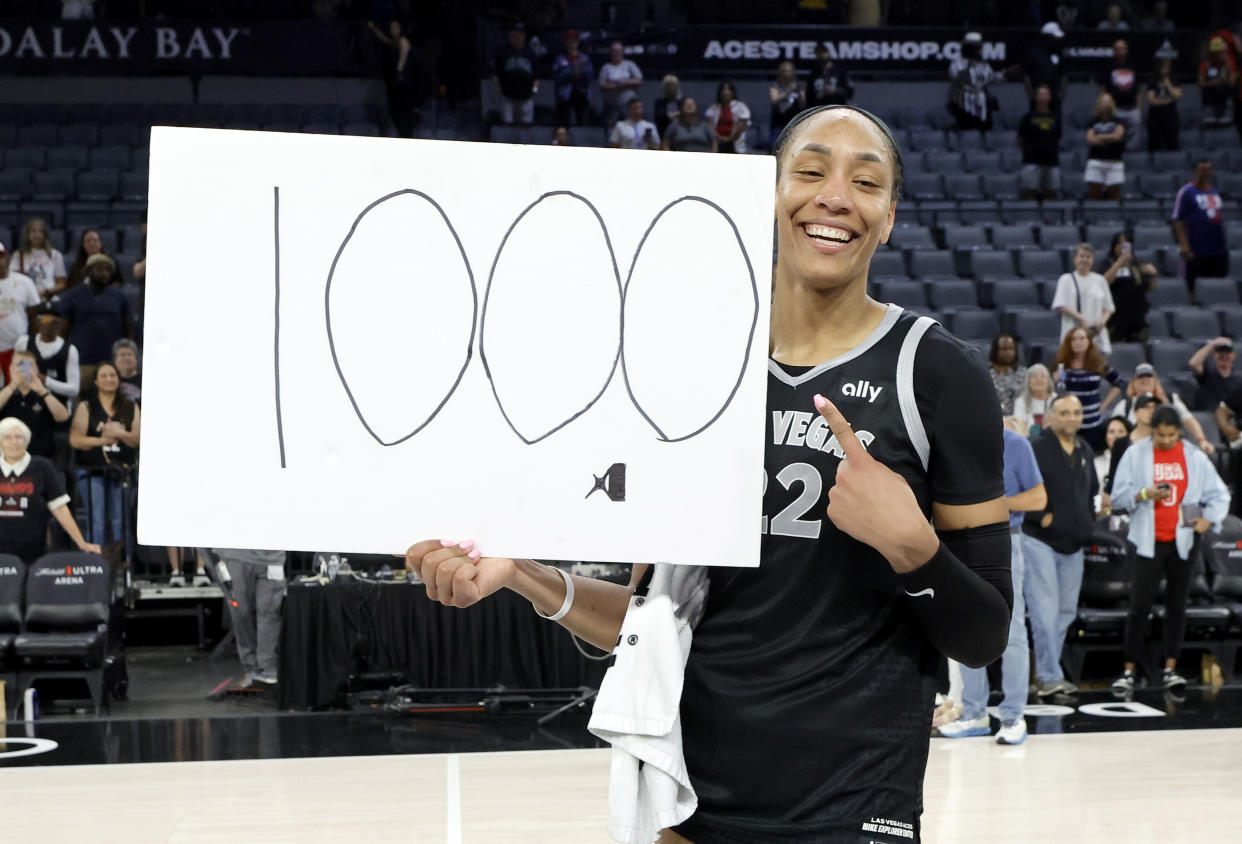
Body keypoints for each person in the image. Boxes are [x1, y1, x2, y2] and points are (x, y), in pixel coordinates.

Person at [406, 105, 1014, 843]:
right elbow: (645, 624)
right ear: (771, 192)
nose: (835, 197)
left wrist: (912, 545)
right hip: (690, 803)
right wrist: (524, 576)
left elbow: (983, 635)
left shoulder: (940, 375)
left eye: (866, 181)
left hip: (857, 806)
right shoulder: (691, 369)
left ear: (887, 218)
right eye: (812, 171)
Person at [1109, 405, 1230, 694]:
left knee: (1177, 606)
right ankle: (1129, 670)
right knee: (1139, 607)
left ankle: (1171, 669)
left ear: (1180, 432)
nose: (1165, 440)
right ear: (1152, 431)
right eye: (1160, 434)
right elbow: (1116, 499)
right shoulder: (1135, 454)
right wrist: (1144, 493)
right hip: (1147, 542)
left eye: (1171, 435)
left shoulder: (1194, 457)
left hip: (1183, 540)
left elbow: (1219, 494)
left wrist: (1208, 520)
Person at [940, 418, 1045, 744]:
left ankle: (1014, 717)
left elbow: (1038, 498)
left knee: (1010, 630)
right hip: (958, 541)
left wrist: (993, 505)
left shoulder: (1015, 443)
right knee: (966, 627)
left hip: (1006, 539)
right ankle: (974, 713)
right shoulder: (950, 441)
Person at [1022, 394, 1096, 697]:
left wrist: (1088, 521)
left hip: (1074, 543)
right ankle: (1050, 676)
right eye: (1065, 412)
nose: (1072, 418)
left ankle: (1047, 673)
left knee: (1065, 611)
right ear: (1050, 417)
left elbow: (1091, 491)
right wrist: (1043, 517)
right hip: (1039, 540)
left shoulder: (1086, 450)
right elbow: (1016, 486)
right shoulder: (1036, 448)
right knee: (1044, 611)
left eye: (1077, 412)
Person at [0, 417, 99, 563]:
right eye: (7, 437)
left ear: (26, 441)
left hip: (34, 551)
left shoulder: (42, 467)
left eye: (18, 437)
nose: (14, 442)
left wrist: (81, 543)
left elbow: (60, 509)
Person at [69, 361, 139, 555]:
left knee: (121, 520)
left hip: (123, 471)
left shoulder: (130, 405)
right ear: (96, 381)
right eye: (104, 376)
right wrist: (104, 440)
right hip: (93, 471)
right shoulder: (87, 405)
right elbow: (75, 439)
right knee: (96, 520)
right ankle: (96, 565)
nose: (109, 379)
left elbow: (137, 439)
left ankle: (124, 567)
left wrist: (119, 433)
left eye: (113, 375)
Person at [52, 253, 134, 386]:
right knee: (82, 403)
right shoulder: (72, 296)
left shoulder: (120, 297)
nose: (104, 273)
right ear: (88, 271)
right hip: (82, 361)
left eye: (108, 270)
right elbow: (63, 331)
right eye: (100, 269)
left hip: (112, 363)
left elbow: (128, 329)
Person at [212, 548, 287, 686]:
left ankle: (268, 668)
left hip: (272, 557)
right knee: (241, 613)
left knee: (270, 613)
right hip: (236, 556)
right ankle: (251, 667)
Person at [1115, 363, 1215, 455]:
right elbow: (1113, 431)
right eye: (1140, 376)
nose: (1145, 380)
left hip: (1168, 450)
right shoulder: (1124, 406)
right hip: (1135, 452)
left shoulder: (1171, 400)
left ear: (1156, 380)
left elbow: (1189, 420)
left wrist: (1202, 440)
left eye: (1149, 376)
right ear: (1133, 382)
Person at [1052, 326, 1123, 451]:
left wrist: (1104, 405)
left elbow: (1118, 383)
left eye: (1082, 338)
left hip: (1092, 424)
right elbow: (1056, 391)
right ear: (1069, 343)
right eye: (1074, 339)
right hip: (1069, 423)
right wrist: (1055, 380)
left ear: (1089, 341)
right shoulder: (1062, 364)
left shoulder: (1098, 363)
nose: (1078, 342)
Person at [1173, 159, 1229, 299]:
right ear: (1195, 171)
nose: (1206, 173)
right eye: (1203, 170)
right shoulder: (1186, 192)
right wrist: (1184, 245)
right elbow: (1178, 220)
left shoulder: (1214, 191)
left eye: (1209, 169)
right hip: (1196, 248)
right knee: (1194, 286)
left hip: (1218, 248)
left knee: (1218, 285)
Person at [0, 351, 71, 460]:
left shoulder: (46, 394)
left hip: (40, 459)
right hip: (6, 460)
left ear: (36, 369)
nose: (23, 370)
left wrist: (42, 391)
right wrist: (13, 386)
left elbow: (63, 417)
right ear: (10, 369)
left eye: (28, 365)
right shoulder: (3, 393)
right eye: (19, 365)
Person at [1053, 243, 1115, 354]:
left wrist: (1101, 322)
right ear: (1075, 259)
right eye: (1081, 256)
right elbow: (1060, 305)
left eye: (1088, 257)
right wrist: (1081, 319)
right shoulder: (1066, 279)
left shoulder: (1100, 280)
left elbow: (1109, 307)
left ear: (1092, 260)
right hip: (1073, 333)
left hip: (1096, 335)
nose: (1084, 260)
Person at [13, 308, 79, 408]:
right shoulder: (24, 343)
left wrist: (46, 381)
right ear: (38, 321)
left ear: (60, 324)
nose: (49, 324)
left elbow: (74, 389)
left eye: (54, 321)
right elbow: (15, 373)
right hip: (28, 404)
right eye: (45, 320)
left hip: (57, 405)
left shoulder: (70, 350)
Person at [1102, 231, 1156, 343]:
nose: (1124, 246)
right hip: (1115, 319)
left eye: (1127, 243)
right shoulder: (1107, 263)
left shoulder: (1137, 264)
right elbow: (1103, 283)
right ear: (1115, 246)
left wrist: (1153, 275)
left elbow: (1150, 288)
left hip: (1137, 318)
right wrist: (1119, 262)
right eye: (1121, 243)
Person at [0, 241, 42, 378]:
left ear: (7, 258)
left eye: (0, 257)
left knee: (24, 386)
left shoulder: (25, 282)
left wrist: (34, 346)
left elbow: (34, 316)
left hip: (20, 348)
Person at [947, 31, 1000, 133]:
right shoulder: (957, 63)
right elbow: (960, 80)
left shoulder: (983, 63)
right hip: (963, 102)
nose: (977, 49)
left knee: (985, 127)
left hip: (981, 104)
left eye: (978, 46)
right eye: (974, 47)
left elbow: (990, 77)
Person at [1017, 84, 1062, 199]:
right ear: (1036, 97)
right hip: (1031, 161)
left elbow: (1058, 137)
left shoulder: (1055, 117)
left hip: (1051, 161)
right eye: (1041, 94)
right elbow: (1020, 140)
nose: (1043, 97)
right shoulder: (1027, 117)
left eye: (1046, 94)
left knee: (1051, 193)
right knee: (1030, 193)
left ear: (1050, 97)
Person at [492, 22, 537, 126]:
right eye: (515, 33)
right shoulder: (502, 52)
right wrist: (499, 90)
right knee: (507, 125)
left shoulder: (529, 52)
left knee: (526, 126)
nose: (518, 36)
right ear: (510, 35)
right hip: (507, 95)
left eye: (520, 34)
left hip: (526, 95)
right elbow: (495, 73)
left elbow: (536, 74)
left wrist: (534, 89)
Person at [1085, 92, 1127, 200]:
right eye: (1103, 101)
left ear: (1112, 104)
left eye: (1108, 101)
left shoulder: (1119, 121)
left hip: (1114, 161)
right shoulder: (1092, 121)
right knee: (1094, 195)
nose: (1105, 104)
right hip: (1095, 161)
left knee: (1114, 196)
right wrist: (1110, 137)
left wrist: (1099, 137)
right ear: (1098, 104)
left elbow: (1118, 136)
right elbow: (1090, 139)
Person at [1018, 22, 1067, 112]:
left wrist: (1062, 94)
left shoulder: (1059, 53)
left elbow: (1063, 75)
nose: (1058, 39)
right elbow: (1026, 76)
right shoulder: (1033, 54)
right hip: (1037, 99)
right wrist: (1031, 96)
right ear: (1047, 37)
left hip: (1055, 99)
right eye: (1055, 37)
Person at [13, 218, 67, 300]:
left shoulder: (55, 255)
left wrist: (45, 292)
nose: (37, 235)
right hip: (25, 296)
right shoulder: (19, 255)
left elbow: (62, 284)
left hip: (48, 296)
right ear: (28, 234)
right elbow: (12, 279)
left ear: (45, 235)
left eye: (40, 231)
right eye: (33, 231)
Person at [1099, 39, 1141, 141]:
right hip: (1115, 110)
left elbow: (1138, 90)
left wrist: (1139, 109)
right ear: (1114, 50)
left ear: (1126, 50)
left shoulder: (1133, 65)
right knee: (1115, 139)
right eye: (1117, 49)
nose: (1120, 51)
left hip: (1132, 109)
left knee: (1132, 142)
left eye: (1122, 48)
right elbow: (1103, 89)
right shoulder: (1108, 67)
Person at [551, 29, 593, 128]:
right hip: (565, 94)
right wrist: (572, 73)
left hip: (582, 93)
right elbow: (556, 77)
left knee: (582, 123)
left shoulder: (584, 58)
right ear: (566, 42)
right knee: (564, 123)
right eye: (570, 40)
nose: (572, 43)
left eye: (574, 40)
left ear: (578, 42)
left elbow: (589, 76)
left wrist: (579, 74)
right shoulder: (560, 58)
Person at [598, 41, 643, 132]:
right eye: (614, 50)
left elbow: (639, 80)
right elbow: (602, 85)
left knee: (630, 129)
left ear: (622, 51)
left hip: (628, 105)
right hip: (611, 106)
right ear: (611, 52)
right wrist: (616, 85)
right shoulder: (606, 67)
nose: (616, 52)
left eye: (618, 50)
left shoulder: (630, 64)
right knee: (611, 129)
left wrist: (625, 82)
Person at [1188, 336, 1240, 412]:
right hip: (1211, 416)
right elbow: (1193, 363)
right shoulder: (1207, 375)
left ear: (1233, 355)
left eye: (1227, 353)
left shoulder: (1239, 379)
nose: (1224, 356)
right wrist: (1212, 344)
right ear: (1214, 355)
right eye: (1220, 352)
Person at [1199, 37, 1236, 128]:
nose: (1219, 54)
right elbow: (1201, 83)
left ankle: (1226, 113)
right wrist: (1213, 82)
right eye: (1217, 52)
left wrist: (1227, 67)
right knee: (1210, 90)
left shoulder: (1229, 64)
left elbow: (1232, 82)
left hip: (1224, 90)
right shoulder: (1205, 65)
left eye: (1221, 52)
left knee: (1227, 89)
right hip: (1210, 90)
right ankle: (1210, 114)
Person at [704, 81, 751, 154]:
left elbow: (740, 126)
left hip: (734, 142)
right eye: (723, 90)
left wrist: (728, 139)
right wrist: (720, 138)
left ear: (733, 92)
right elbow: (711, 127)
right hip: (717, 142)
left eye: (728, 89)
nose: (725, 92)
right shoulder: (713, 108)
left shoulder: (740, 106)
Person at [1146, 59, 1182, 152]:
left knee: (1172, 144)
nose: (1165, 70)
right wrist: (1169, 100)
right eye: (1162, 68)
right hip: (1155, 117)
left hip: (1171, 117)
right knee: (1154, 144)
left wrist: (1168, 85)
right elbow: (1151, 100)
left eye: (1167, 68)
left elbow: (1177, 96)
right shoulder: (1152, 80)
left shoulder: (1174, 79)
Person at [769, 61, 806, 151]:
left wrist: (801, 94)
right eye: (784, 71)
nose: (787, 73)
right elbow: (774, 100)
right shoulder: (775, 85)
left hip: (795, 124)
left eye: (789, 71)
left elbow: (803, 104)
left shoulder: (799, 85)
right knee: (776, 148)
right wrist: (788, 92)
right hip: (779, 124)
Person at [988, 333, 1026, 415]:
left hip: (1019, 420)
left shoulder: (1024, 373)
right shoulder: (987, 374)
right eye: (1004, 349)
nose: (1008, 352)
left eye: (1011, 348)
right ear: (995, 351)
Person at [1014, 364, 1054, 436]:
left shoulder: (1056, 400)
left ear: (1048, 381)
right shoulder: (1020, 402)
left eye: (1042, 376)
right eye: (1034, 376)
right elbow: (1019, 427)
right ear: (1028, 381)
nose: (1039, 379)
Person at [112, 338, 141, 404]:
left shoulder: (146, 380)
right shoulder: (108, 380)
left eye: (130, 354)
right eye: (122, 355)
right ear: (115, 360)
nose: (126, 358)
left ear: (136, 359)